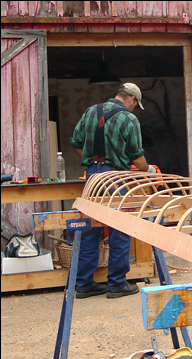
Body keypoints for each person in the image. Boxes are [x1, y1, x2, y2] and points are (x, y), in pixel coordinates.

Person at [70, 83, 157, 299]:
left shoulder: (91, 111)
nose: (133, 109)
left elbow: (76, 142)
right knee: (120, 227)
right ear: (132, 100)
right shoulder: (129, 119)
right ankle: (117, 283)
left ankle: (83, 284)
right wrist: (149, 170)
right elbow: (136, 157)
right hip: (116, 176)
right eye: (135, 105)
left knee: (90, 227)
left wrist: (91, 158)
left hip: (92, 176)